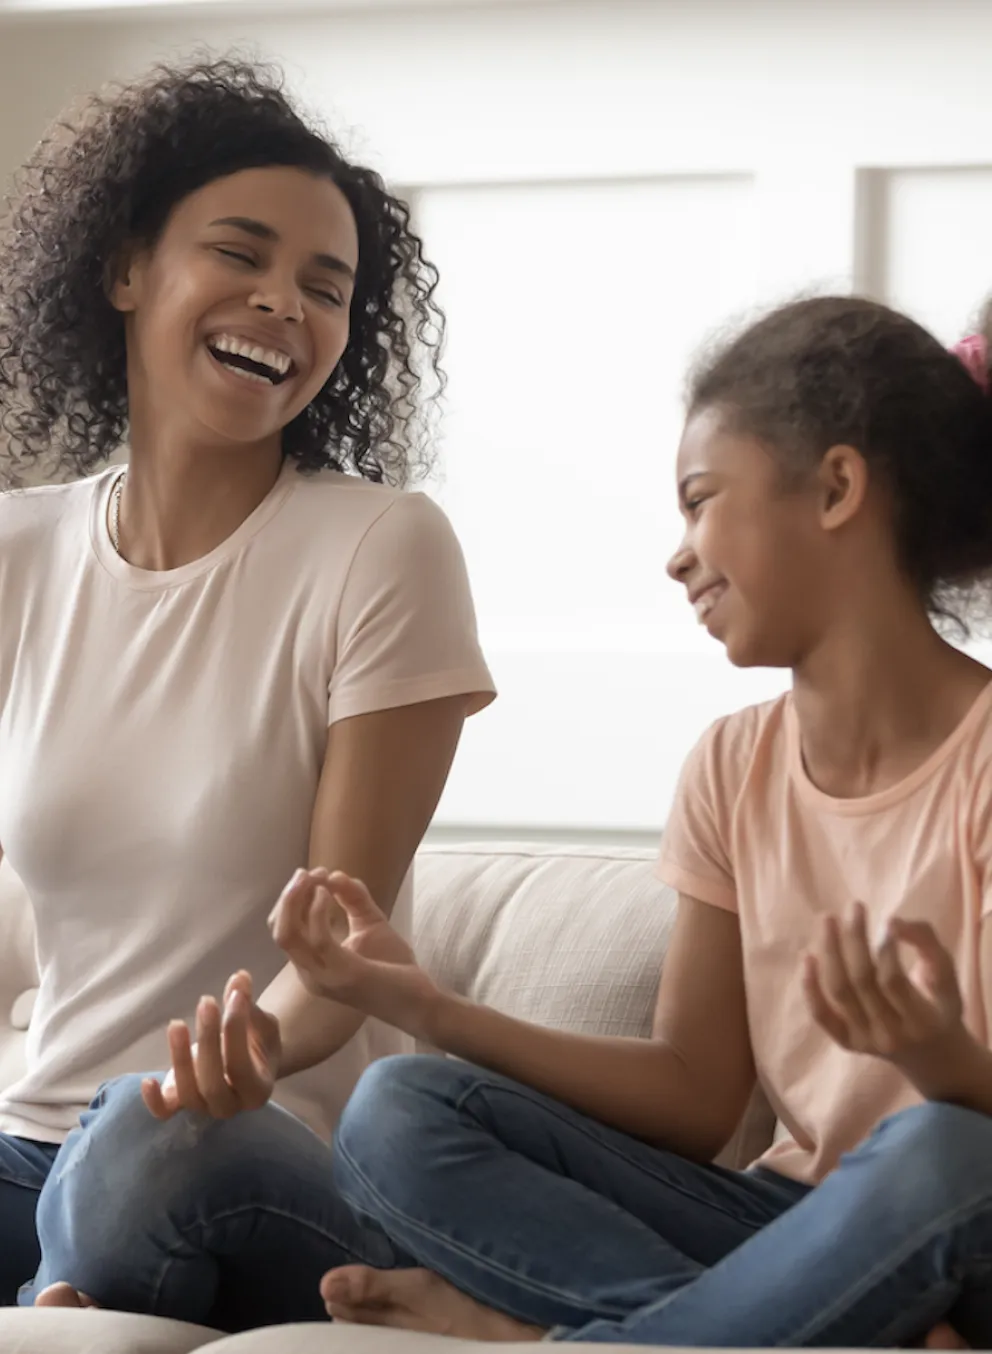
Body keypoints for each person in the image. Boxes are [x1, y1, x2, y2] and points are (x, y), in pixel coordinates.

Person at [264, 296, 992, 1346]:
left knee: (942, 1152)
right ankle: (789, 1328)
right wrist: (427, 1007)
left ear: (835, 488)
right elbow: (696, 1098)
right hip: (787, 1224)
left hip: (957, 1211)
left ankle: (558, 1336)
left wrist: (935, 1056)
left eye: (700, 501)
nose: (678, 555)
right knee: (399, 1111)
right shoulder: (731, 766)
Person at [0, 55, 494, 1323]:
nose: (284, 303)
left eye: (326, 288)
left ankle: (65, 1293)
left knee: (142, 1140)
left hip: (249, 1142)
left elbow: (340, 947)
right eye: (240, 254)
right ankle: (64, 1291)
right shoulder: (18, 553)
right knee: (88, 1159)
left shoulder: (380, 547)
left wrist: (249, 1052)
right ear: (125, 271)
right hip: (32, 1138)